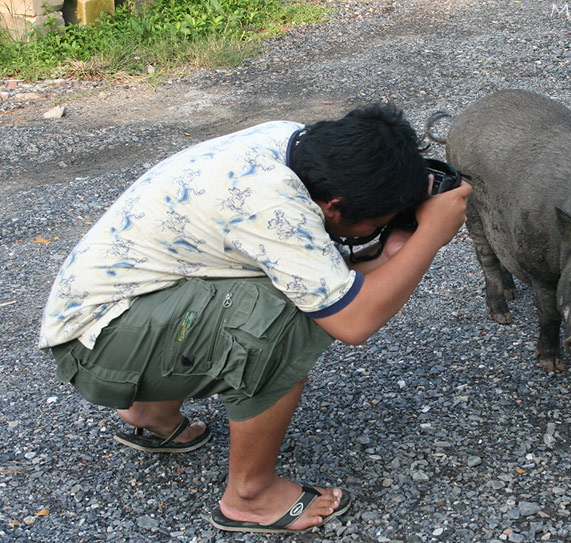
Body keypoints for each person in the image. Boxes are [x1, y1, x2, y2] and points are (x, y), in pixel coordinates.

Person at [39, 103, 472, 534]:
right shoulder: (273, 205)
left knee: (274, 298)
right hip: (99, 351)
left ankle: (150, 413)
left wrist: (393, 246)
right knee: (283, 320)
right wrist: (429, 237)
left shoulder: (295, 147)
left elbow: (315, 271)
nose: (379, 227)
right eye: (376, 221)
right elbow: (352, 320)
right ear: (336, 206)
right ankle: (249, 496)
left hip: (114, 315)